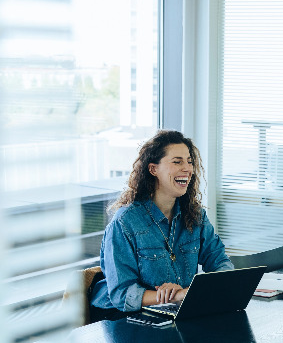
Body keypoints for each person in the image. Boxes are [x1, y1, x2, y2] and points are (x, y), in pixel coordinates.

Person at [90, 129, 234, 322]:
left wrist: (193, 291)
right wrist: (177, 295)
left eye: (189, 161)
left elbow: (221, 263)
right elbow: (122, 294)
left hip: (172, 312)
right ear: (153, 169)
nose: (188, 169)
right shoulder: (125, 222)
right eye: (177, 162)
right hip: (121, 319)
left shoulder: (195, 215)